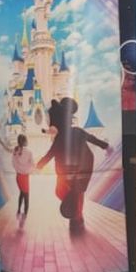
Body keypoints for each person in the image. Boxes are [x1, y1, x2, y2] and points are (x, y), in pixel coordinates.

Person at [36, 95, 110, 232]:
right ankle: (75, 217)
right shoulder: (70, 134)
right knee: (64, 192)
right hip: (73, 173)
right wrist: (106, 147)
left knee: (73, 194)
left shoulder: (71, 134)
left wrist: (39, 165)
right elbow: (52, 153)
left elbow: (51, 153)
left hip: (77, 172)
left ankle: (76, 220)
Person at [11, 133, 34, 229]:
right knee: (27, 196)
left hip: (18, 176)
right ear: (25, 141)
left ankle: (18, 210)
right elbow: (32, 164)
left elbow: (13, 163)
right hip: (25, 177)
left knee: (21, 193)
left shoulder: (15, 150)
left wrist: (19, 169)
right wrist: (29, 170)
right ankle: (26, 215)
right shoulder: (29, 151)